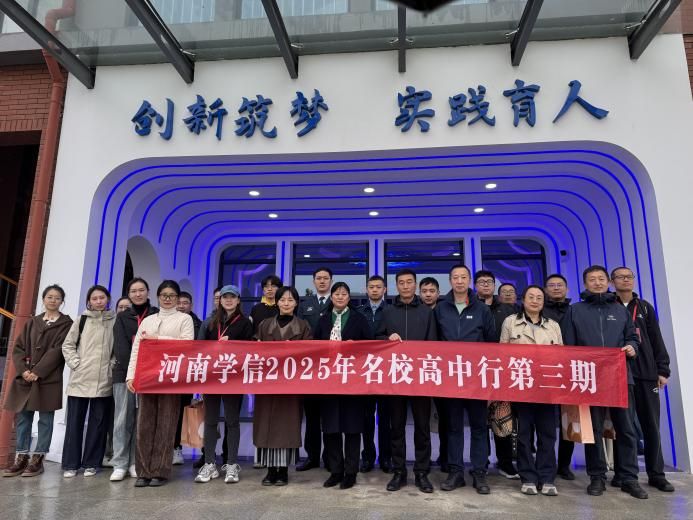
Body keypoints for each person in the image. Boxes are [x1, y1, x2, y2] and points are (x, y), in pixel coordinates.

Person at [563, 265, 648, 499]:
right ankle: (597, 477)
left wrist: (632, 347)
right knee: (594, 430)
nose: (597, 283)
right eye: (592, 279)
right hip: (589, 379)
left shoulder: (620, 310)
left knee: (626, 429)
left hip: (620, 377)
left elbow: (632, 337)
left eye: (601, 278)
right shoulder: (575, 311)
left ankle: (629, 478)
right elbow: (569, 346)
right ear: (585, 284)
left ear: (608, 282)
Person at [611, 267, 674, 492]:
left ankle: (656, 474)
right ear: (612, 281)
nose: (625, 280)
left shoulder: (645, 307)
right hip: (619, 375)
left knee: (651, 426)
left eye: (629, 277)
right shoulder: (609, 306)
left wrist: (662, 370)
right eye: (620, 277)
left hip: (647, 374)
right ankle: (622, 474)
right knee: (623, 427)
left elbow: (656, 339)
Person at [126, 280, 194, 487]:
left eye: (172, 295)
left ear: (177, 298)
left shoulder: (184, 319)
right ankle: (143, 471)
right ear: (157, 297)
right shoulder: (148, 320)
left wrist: (158, 338)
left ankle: (160, 471)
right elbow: (136, 349)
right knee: (144, 424)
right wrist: (131, 375)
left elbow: (187, 345)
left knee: (166, 424)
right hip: (147, 377)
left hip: (170, 378)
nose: (167, 298)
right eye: (164, 295)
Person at [435, 264, 496, 494]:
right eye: (455, 277)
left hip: (477, 377)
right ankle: (456, 472)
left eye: (463, 277)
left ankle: (479, 473)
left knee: (479, 426)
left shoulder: (482, 309)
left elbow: (492, 342)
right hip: (451, 377)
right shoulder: (441, 308)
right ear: (450, 281)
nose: (459, 281)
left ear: (469, 280)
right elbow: (435, 342)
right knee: (453, 427)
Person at [376, 269, 437, 494]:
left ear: (415, 285)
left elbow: (434, 343)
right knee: (397, 427)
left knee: (422, 428)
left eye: (409, 282)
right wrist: (387, 338)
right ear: (396, 286)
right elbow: (377, 338)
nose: (405, 286)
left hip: (421, 378)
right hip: (396, 377)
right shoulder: (388, 311)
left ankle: (422, 472)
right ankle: (399, 471)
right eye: (401, 282)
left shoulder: (427, 312)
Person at [500, 285, 563, 496]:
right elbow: (502, 354)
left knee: (548, 434)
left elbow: (561, 355)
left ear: (543, 302)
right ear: (523, 300)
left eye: (539, 298)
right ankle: (527, 477)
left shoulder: (553, 325)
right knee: (523, 434)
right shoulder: (510, 322)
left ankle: (547, 477)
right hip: (521, 385)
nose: (535, 301)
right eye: (531, 297)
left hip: (547, 387)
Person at [3, 285, 72, 477]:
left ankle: (38, 458)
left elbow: (58, 350)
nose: (53, 300)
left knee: (46, 420)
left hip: (48, 379)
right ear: (43, 299)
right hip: (26, 378)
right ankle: (21, 457)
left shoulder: (66, 324)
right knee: (24, 418)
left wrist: (38, 371)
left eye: (57, 298)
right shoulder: (32, 322)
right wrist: (24, 370)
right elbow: (19, 348)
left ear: (62, 301)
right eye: (49, 297)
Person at [315, 282, 374, 489]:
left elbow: (370, 346)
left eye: (344, 294)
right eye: (337, 294)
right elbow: (313, 348)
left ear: (349, 298)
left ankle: (350, 472)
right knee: (331, 428)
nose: (340, 297)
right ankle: (335, 471)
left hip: (353, 381)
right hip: (329, 382)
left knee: (352, 428)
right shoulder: (323, 320)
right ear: (331, 297)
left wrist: (355, 348)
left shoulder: (359, 319)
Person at [194, 285, 253, 484]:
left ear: (238, 300)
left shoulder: (245, 323)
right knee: (210, 420)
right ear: (220, 300)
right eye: (225, 297)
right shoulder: (210, 322)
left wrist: (233, 343)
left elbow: (251, 351)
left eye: (232, 297)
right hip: (212, 377)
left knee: (232, 421)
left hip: (233, 378)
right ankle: (209, 463)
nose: (228, 300)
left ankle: (231, 464)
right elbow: (199, 349)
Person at [254, 286, 313, 486]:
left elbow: (310, 354)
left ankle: (284, 471)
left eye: (290, 300)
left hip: (291, 385)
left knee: (287, 426)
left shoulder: (303, 326)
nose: (286, 303)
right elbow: (254, 351)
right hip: (267, 383)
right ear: (277, 302)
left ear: (296, 303)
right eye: (282, 300)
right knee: (266, 425)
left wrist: (294, 350)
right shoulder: (264, 324)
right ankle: (270, 470)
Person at [61, 285, 116, 478]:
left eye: (102, 297)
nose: (99, 301)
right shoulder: (81, 320)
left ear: (108, 299)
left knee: (98, 424)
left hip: (104, 380)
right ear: (89, 301)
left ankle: (92, 463)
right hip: (81, 378)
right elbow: (68, 345)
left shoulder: (114, 321)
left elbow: (118, 349)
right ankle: (70, 464)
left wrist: (111, 366)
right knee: (74, 423)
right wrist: (76, 364)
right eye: (95, 298)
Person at [110, 278, 158, 482]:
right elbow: (121, 348)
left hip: (150, 376)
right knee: (122, 420)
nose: (138, 294)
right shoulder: (122, 317)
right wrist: (134, 369)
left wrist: (146, 369)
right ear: (129, 294)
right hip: (124, 375)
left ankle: (135, 462)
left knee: (142, 421)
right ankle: (120, 463)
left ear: (148, 292)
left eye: (141, 290)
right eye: (133, 291)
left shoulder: (156, 315)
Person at [474, 270, 518, 480]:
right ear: (475, 285)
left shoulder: (508, 310)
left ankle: (505, 462)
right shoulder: (471, 307)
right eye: (481, 282)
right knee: (480, 420)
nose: (485, 285)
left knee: (503, 418)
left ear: (494, 285)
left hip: (502, 371)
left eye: (489, 282)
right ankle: (481, 462)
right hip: (476, 371)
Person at [296, 267, 333, 471]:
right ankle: (312, 457)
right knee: (311, 416)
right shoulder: (304, 305)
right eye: (318, 278)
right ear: (313, 281)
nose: (322, 281)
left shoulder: (337, 301)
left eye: (326, 278)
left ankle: (330, 457)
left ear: (331, 281)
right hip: (309, 368)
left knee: (329, 415)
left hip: (331, 367)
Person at [356, 275, 391, 473]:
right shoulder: (359, 312)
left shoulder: (392, 311)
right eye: (371, 287)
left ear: (385, 290)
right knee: (366, 418)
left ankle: (386, 458)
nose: (375, 290)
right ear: (366, 289)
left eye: (378, 287)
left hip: (386, 371)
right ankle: (368, 457)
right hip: (365, 371)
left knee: (386, 418)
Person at [542, 274, 575, 481]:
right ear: (546, 290)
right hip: (545, 370)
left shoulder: (575, 310)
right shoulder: (539, 310)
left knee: (568, 419)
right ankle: (546, 462)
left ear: (567, 288)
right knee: (545, 421)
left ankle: (564, 464)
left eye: (560, 285)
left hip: (570, 369)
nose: (556, 288)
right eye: (551, 285)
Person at [418, 277, 447, 471]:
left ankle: (445, 457)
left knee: (445, 417)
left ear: (438, 293)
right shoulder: (416, 312)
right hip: (421, 371)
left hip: (443, 372)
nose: (428, 294)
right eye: (424, 291)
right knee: (422, 420)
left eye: (432, 291)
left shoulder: (445, 312)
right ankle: (424, 459)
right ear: (419, 293)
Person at [173, 290, 202, 466]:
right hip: (168, 374)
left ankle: (177, 448)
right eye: (179, 303)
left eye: (185, 303)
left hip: (187, 376)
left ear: (191, 305)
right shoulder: (166, 321)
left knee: (181, 412)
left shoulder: (199, 324)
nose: (181, 306)